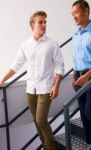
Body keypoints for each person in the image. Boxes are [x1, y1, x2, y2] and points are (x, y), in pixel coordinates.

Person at [0, 11, 64, 150]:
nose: (44, 24)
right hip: (30, 89)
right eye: (40, 22)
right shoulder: (26, 45)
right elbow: (16, 65)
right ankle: (45, 145)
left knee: (41, 120)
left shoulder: (52, 43)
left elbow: (60, 66)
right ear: (32, 25)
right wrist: (2, 80)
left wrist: (56, 86)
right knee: (36, 121)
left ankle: (50, 147)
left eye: (45, 22)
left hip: (46, 88)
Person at [71, 0, 91, 149]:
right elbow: (76, 57)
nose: (73, 16)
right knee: (83, 115)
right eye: (72, 14)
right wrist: (74, 74)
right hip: (78, 78)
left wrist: (87, 75)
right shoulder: (76, 34)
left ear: (86, 11)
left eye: (76, 12)